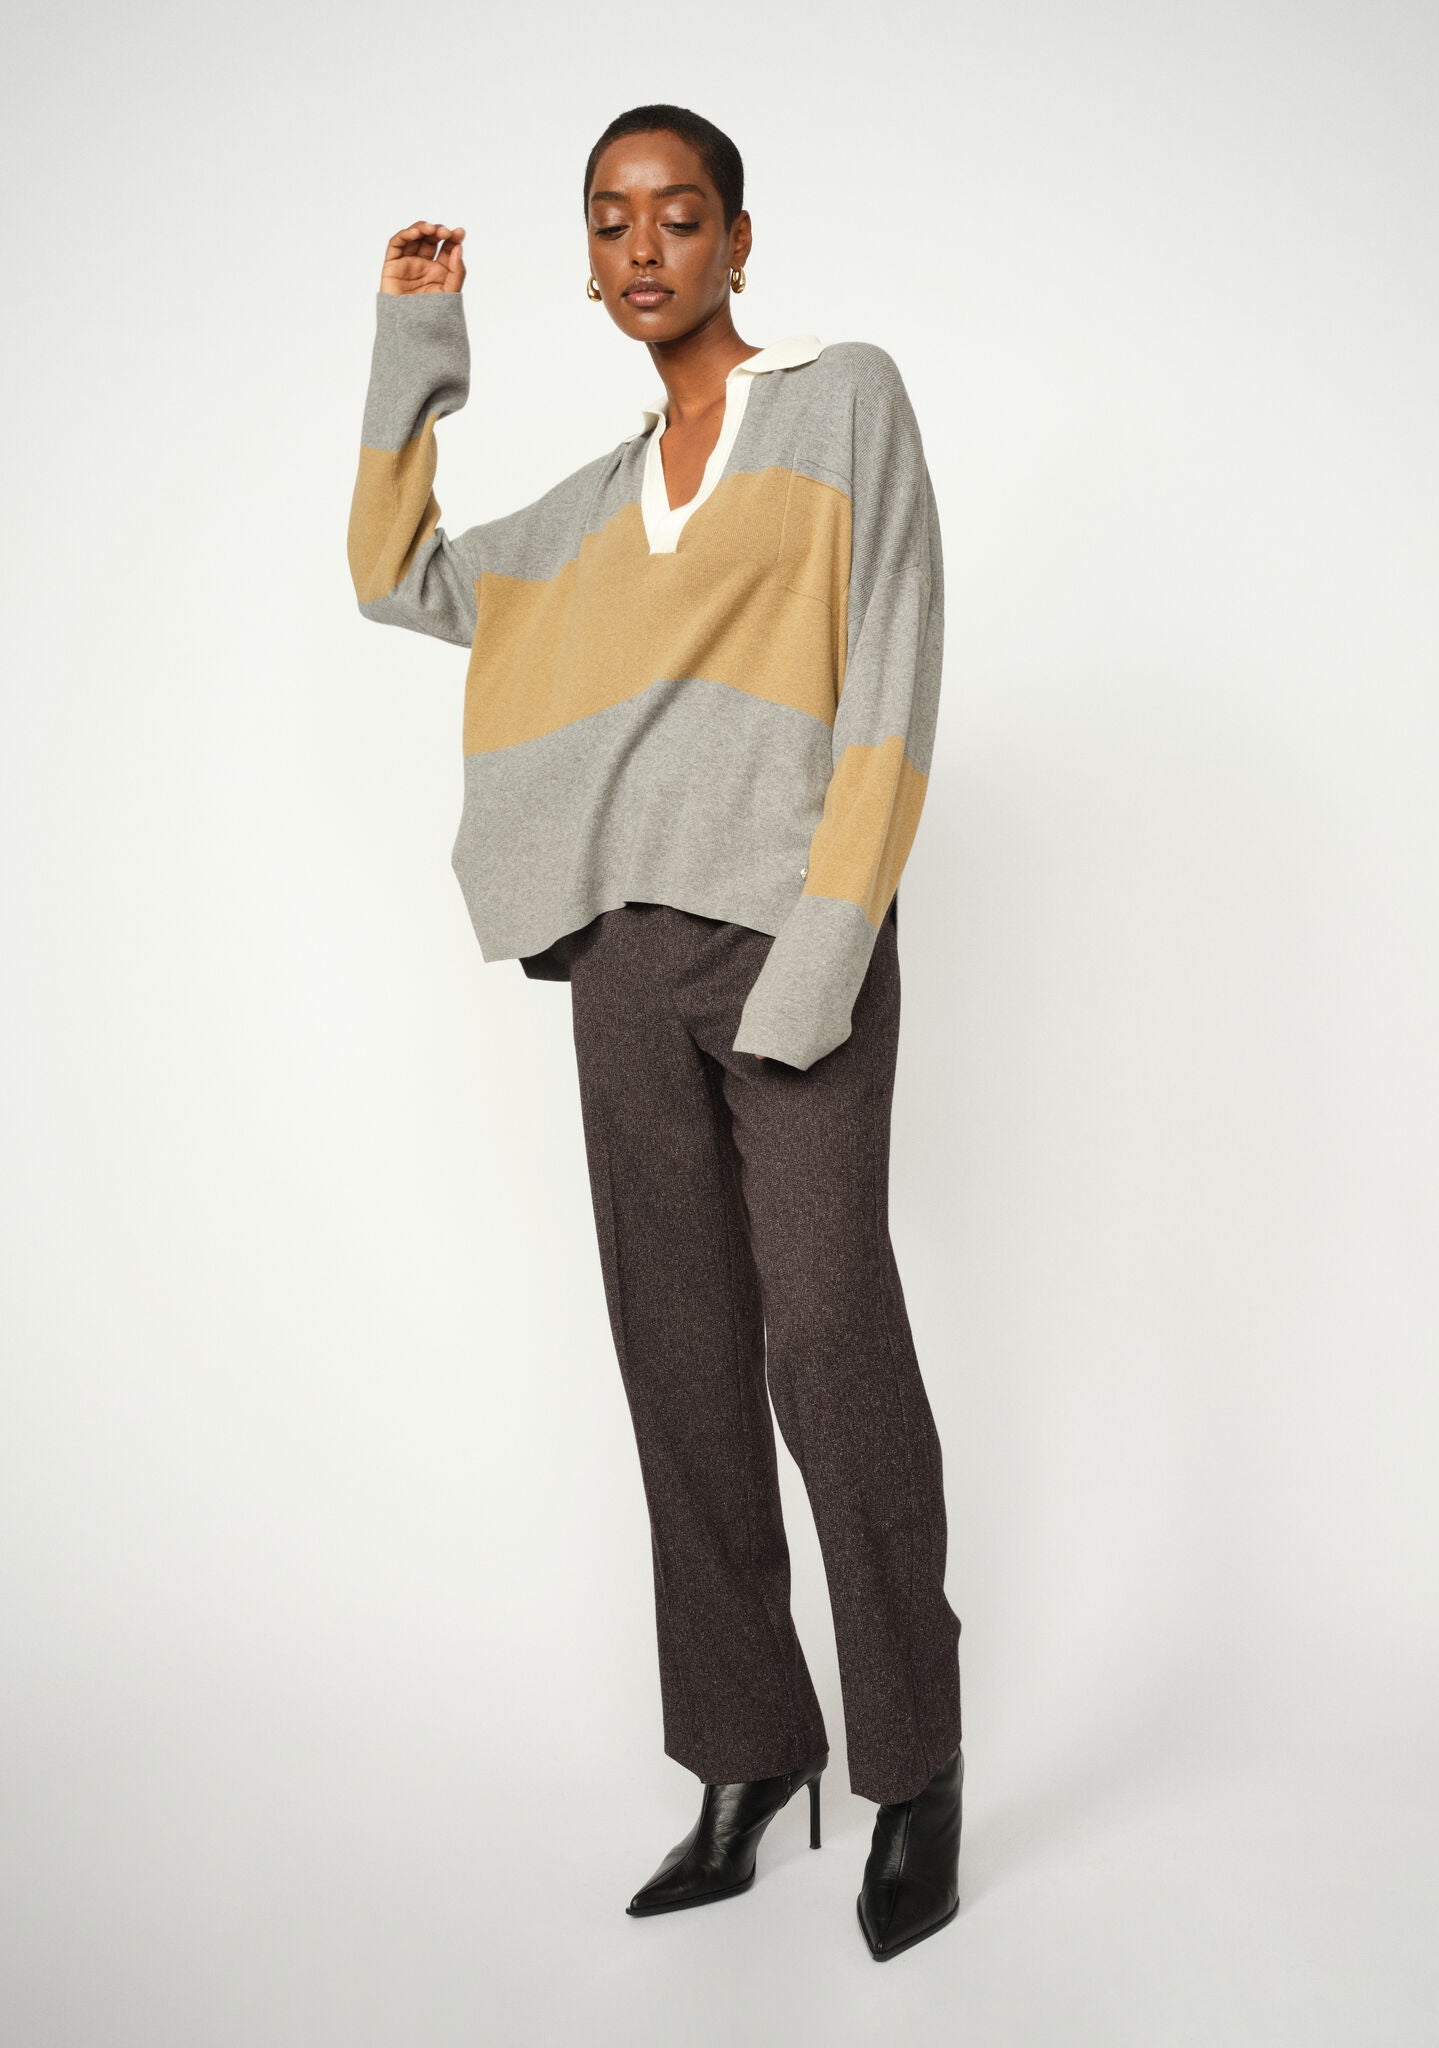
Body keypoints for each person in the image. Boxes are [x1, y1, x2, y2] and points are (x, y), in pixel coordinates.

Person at [347, 102, 964, 1962]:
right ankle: (747, 1754)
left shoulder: (842, 403)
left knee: (829, 1343)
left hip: (797, 947)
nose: (643, 248)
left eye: (678, 215)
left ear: (738, 241)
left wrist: (824, 954)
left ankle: (914, 1767)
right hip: (627, 968)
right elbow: (397, 576)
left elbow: (895, 673)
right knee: (679, 1358)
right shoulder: (592, 513)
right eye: (611, 221)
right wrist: (414, 343)